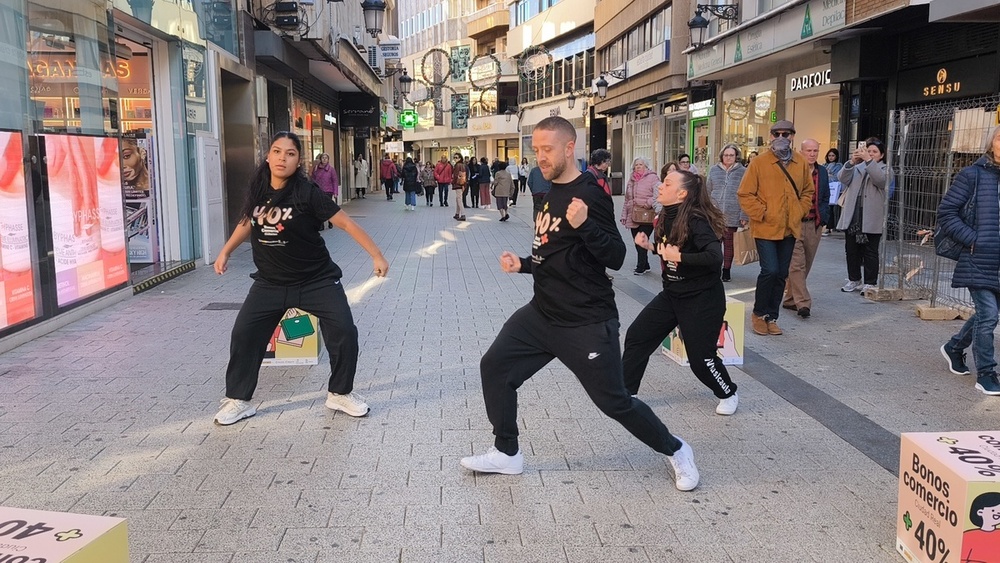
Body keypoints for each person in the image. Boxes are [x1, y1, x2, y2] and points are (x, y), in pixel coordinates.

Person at [459, 116, 699, 492]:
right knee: (494, 367)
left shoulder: (590, 193)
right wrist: (522, 264)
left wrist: (586, 224)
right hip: (541, 313)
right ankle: (507, 453)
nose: (540, 157)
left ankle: (677, 449)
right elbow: (556, 251)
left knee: (614, 402)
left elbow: (617, 256)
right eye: (536, 150)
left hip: (586, 321)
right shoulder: (549, 189)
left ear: (570, 148)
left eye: (547, 149)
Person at [212, 131, 389, 426]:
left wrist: (376, 255)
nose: (282, 158)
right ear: (268, 156)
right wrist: (226, 251)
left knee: (344, 331)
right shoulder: (257, 189)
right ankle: (239, 401)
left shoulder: (307, 193)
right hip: (269, 283)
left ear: (298, 160)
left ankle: (340, 393)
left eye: (290, 153)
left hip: (316, 280)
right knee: (244, 335)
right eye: (277, 152)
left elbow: (345, 223)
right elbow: (247, 221)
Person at [622, 169, 739, 416]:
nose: (660, 187)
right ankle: (626, 393)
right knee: (637, 336)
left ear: (682, 193)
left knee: (701, 359)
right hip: (673, 293)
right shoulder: (665, 216)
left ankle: (728, 392)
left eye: (667, 183)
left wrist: (680, 256)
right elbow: (669, 252)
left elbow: (713, 257)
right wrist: (651, 247)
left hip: (702, 299)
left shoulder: (697, 220)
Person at [938, 125, 1000, 396]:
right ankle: (986, 374)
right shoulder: (972, 174)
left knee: (987, 315)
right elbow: (947, 212)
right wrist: (973, 239)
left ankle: (953, 347)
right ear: (991, 143)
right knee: (989, 316)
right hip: (979, 257)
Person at [737, 119, 814, 337]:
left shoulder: (800, 162)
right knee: (769, 270)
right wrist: (762, 213)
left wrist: (799, 211)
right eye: (777, 133)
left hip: (790, 227)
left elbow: (808, 191)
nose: (782, 138)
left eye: (786, 134)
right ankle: (759, 314)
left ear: (792, 137)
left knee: (781, 273)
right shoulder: (759, 162)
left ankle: (772, 316)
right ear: (771, 136)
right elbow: (745, 193)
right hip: (765, 228)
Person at [781, 139, 831, 318]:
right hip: (795, 224)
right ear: (800, 151)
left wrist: (824, 218)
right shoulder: (792, 170)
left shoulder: (823, 172)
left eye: (815, 151)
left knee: (806, 263)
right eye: (808, 150)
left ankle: (789, 299)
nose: (812, 154)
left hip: (814, 224)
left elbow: (825, 196)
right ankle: (803, 304)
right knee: (796, 265)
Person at [836, 137, 889, 296]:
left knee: (870, 251)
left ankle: (870, 282)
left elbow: (880, 181)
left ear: (881, 155)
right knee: (851, 250)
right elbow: (842, 178)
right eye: (869, 151)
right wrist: (851, 162)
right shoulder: (857, 167)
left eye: (875, 152)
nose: (871, 154)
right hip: (853, 215)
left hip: (871, 217)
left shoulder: (886, 169)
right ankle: (854, 279)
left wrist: (868, 162)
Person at [706, 144, 747, 282]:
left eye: (731, 155)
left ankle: (726, 269)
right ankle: (715, 268)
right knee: (713, 244)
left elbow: (747, 195)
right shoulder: (714, 170)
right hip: (715, 215)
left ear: (736, 157)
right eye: (726, 155)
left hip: (733, 213)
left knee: (729, 245)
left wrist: (744, 215)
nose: (728, 157)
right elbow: (707, 191)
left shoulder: (743, 171)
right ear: (722, 156)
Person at [620, 156, 659, 275]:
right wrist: (624, 215)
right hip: (633, 214)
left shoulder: (653, 178)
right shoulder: (631, 180)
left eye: (640, 164)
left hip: (647, 215)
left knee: (642, 240)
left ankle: (640, 266)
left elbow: (657, 194)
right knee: (637, 242)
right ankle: (645, 264)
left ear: (646, 166)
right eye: (636, 165)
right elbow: (627, 199)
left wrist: (647, 203)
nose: (638, 167)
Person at [824, 148, 843, 235]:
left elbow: (837, 177)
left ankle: (831, 227)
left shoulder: (838, 166)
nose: (831, 157)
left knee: (832, 208)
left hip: (835, 189)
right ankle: (828, 226)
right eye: (829, 156)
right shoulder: (824, 165)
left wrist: (829, 174)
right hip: (826, 189)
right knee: (827, 208)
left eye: (833, 156)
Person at [451, 152, 468, 221]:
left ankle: (463, 214)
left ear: (460, 158)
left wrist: (453, 182)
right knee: (458, 198)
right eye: (454, 157)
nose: (455, 159)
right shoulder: (462, 165)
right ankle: (457, 213)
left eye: (456, 157)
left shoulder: (458, 165)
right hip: (462, 183)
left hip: (458, 183)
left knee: (459, 199)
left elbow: (456, 175)